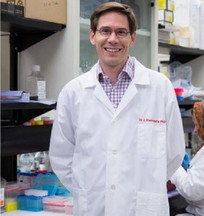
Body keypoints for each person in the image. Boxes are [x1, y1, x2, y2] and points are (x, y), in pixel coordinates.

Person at [49, 2, 185, 216]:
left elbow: (174, 154)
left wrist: (141, 187)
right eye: (105, 31)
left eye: (121, 32)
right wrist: (89, 189)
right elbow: (61, 156)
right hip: (93, 207)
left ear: (132, 38)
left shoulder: (160, 87)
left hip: (143, 209)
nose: (113, 39)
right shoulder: (73, 92)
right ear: (93, 36)